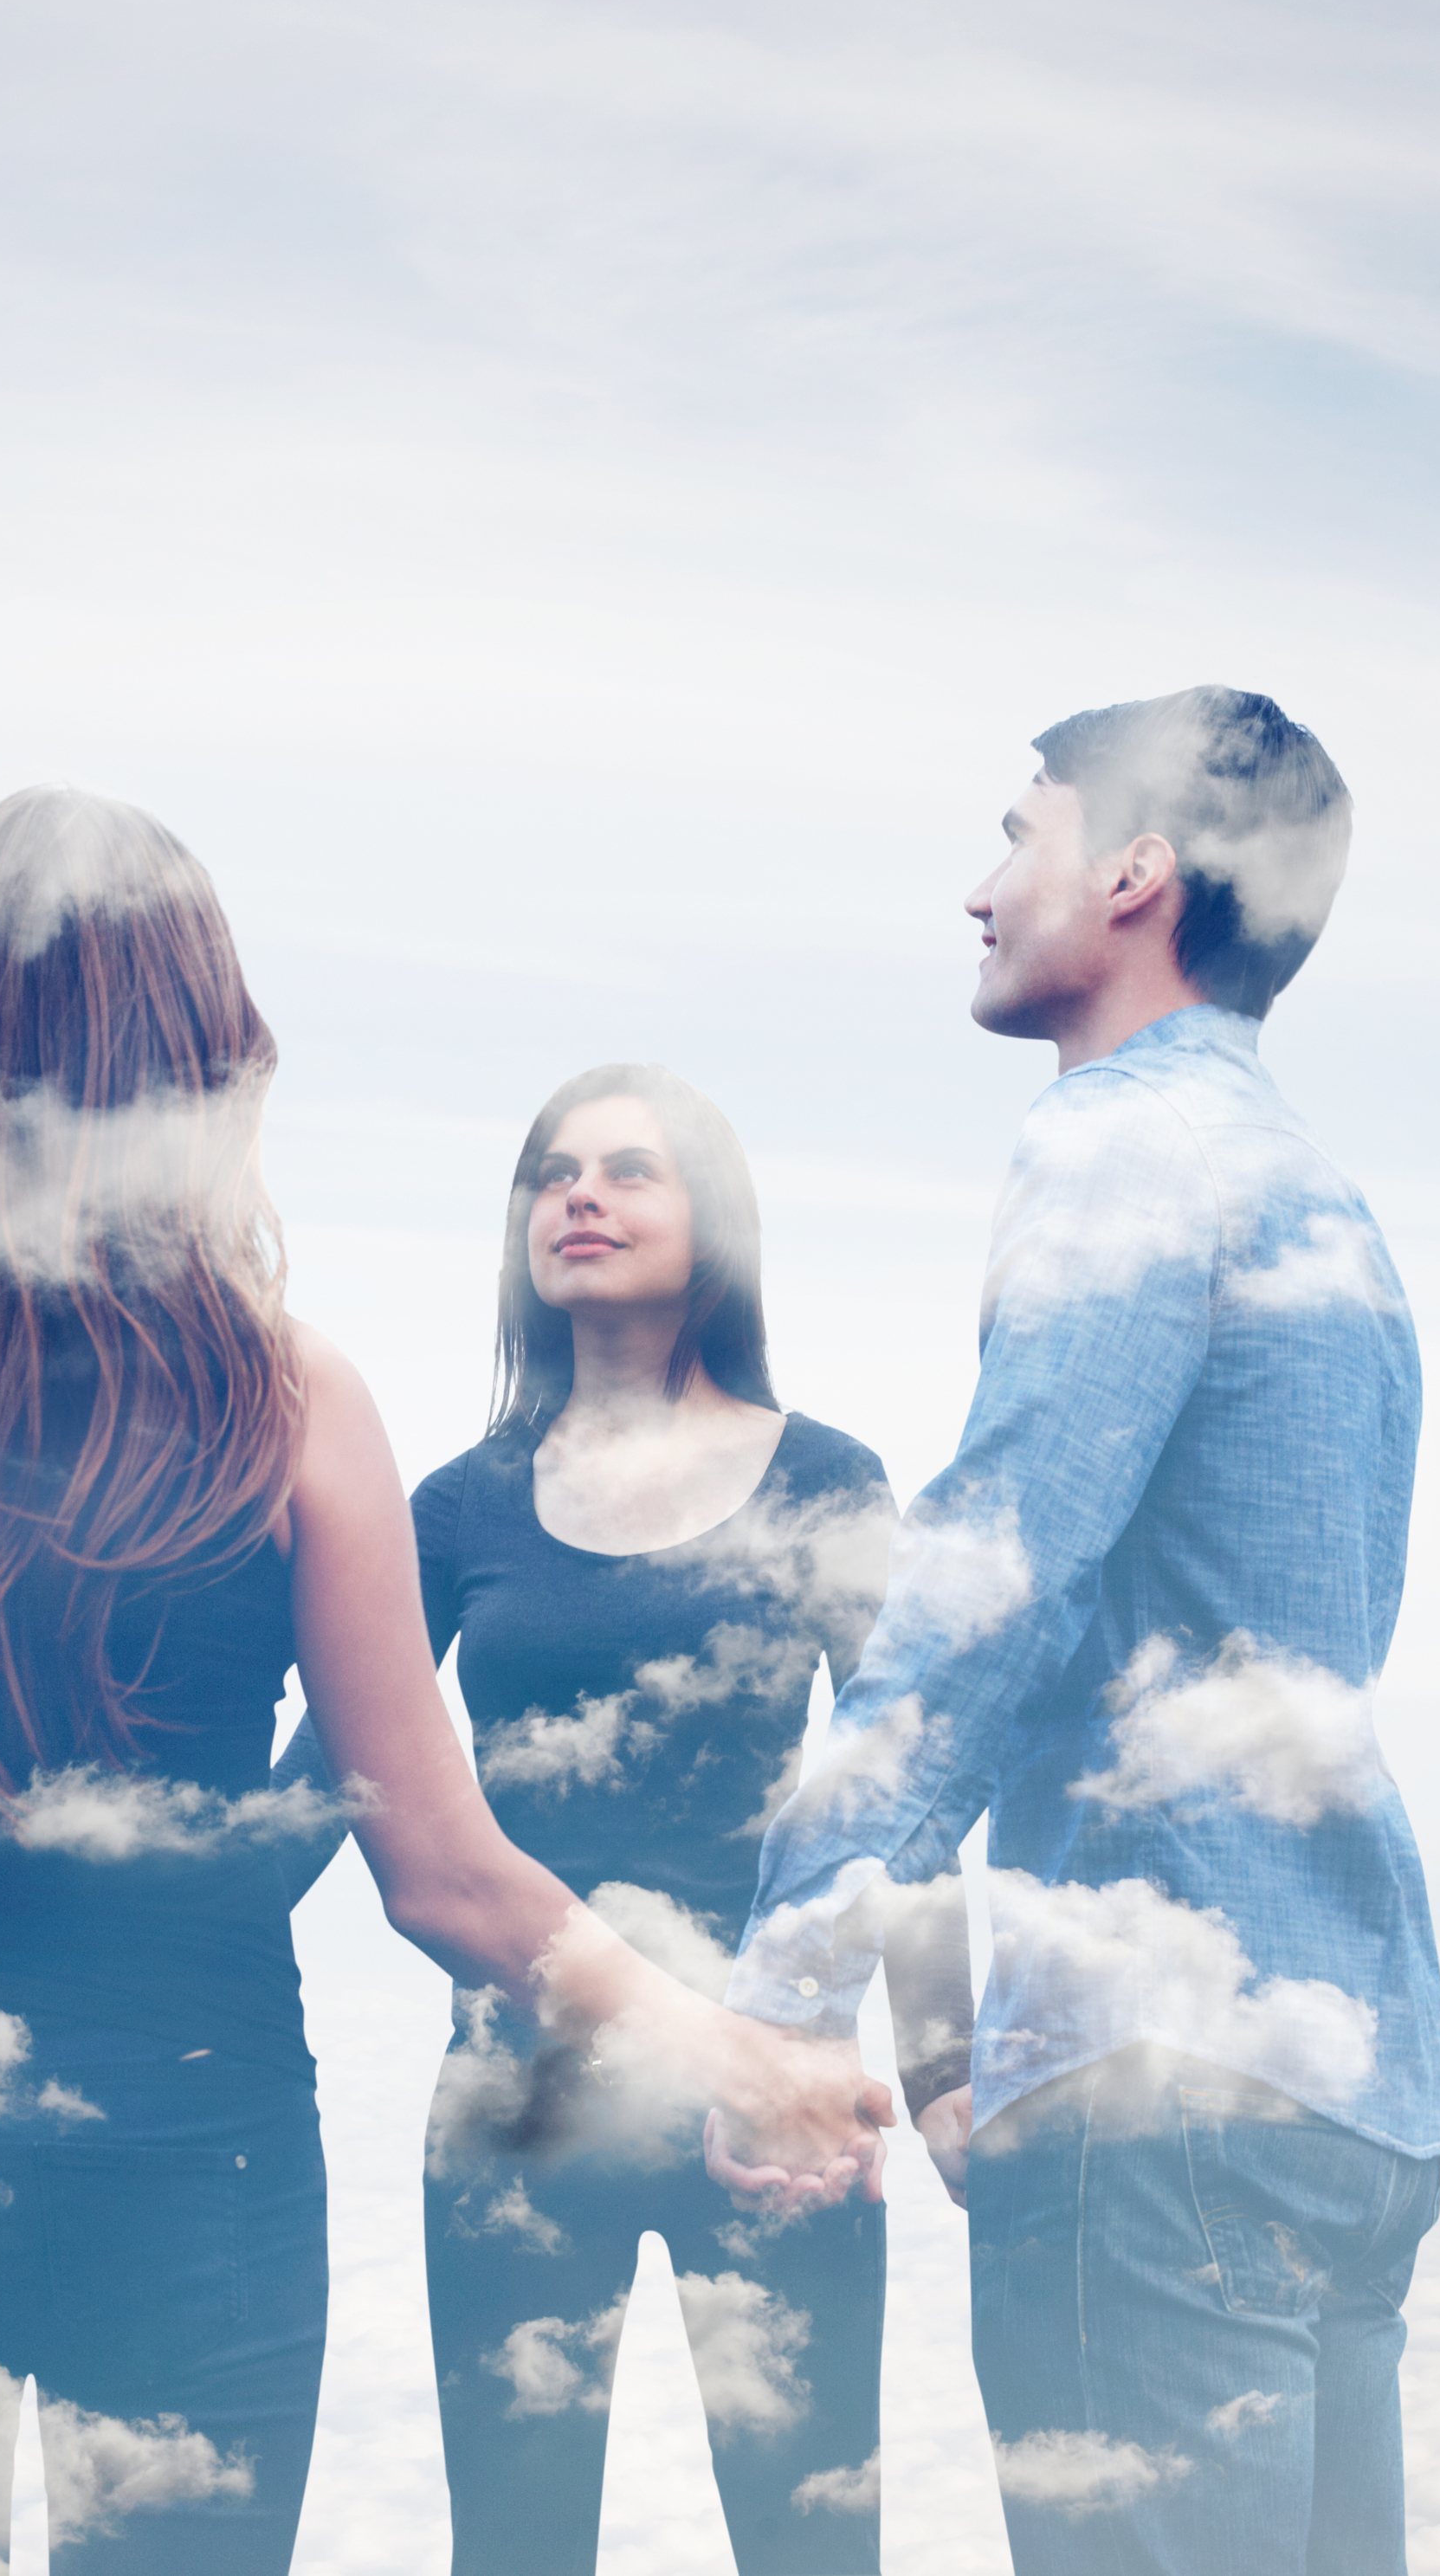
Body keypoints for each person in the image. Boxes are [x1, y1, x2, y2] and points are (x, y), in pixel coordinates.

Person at [0, 789, 891, 2576]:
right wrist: (730, 2050)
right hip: (190, 2169)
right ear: (198, 1058)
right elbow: (437, 1868)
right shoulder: (283, 1395)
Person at [720, 688, 1440, 2574]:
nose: (980, 890)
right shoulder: (1326, 1201)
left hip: (1157, 2088)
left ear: (1132, 872)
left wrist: (787, 1986)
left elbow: (995, 1579)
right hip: (1347, 2075)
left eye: (1016, 836)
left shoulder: (1118, 1153)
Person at [404, 1062, 974, 2575]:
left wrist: (944, 2073)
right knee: (512, 2556)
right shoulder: (457, 1507)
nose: (577, 1195)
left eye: (626, 1169)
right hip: (516, 2106)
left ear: (714, 1221)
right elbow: (351, 1783)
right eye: (552, 1172)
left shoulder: (830, 1480)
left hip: (772, 2104)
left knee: (810, 2550)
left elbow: (902, 1795)